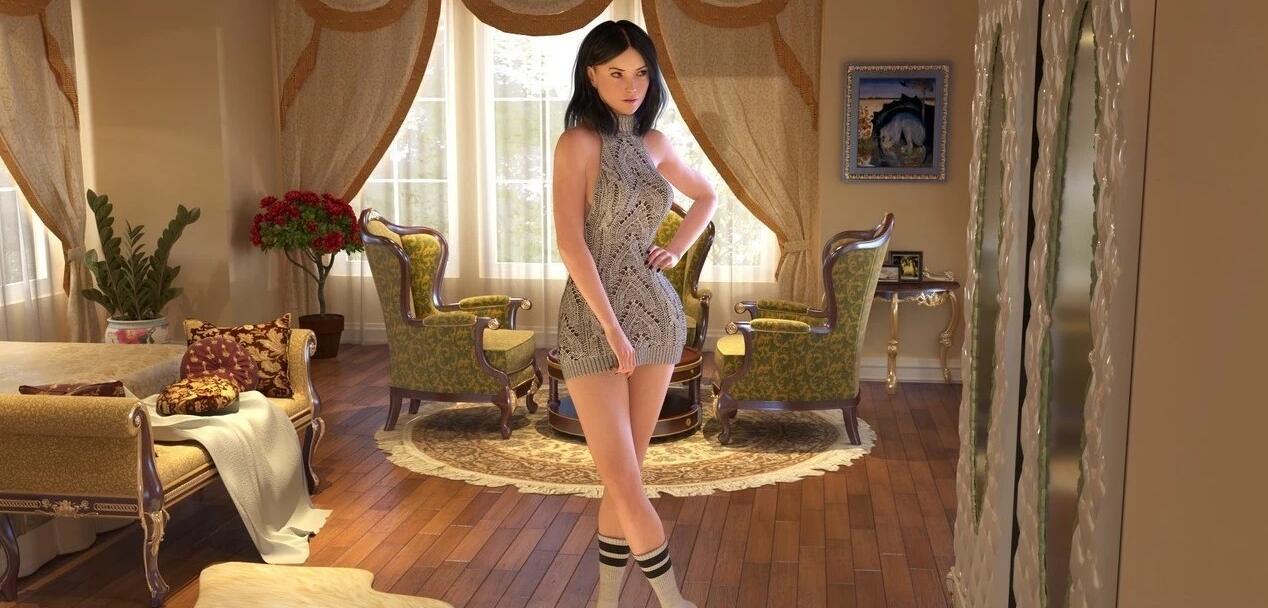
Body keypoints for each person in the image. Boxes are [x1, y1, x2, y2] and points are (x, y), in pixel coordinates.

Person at [552, 19, 716, 608]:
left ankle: (606, 602)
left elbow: (706, 196)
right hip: (593, 322)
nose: (631, 85)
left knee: (626, 478)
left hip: (656, 315)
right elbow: (571, 244)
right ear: (592, 75)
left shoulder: (657, 144)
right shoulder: (577, 144)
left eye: (641, 73)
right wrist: (611, 328)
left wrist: (673, 250)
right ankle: (674, 602)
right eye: (617, 72)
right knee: (622, 477)